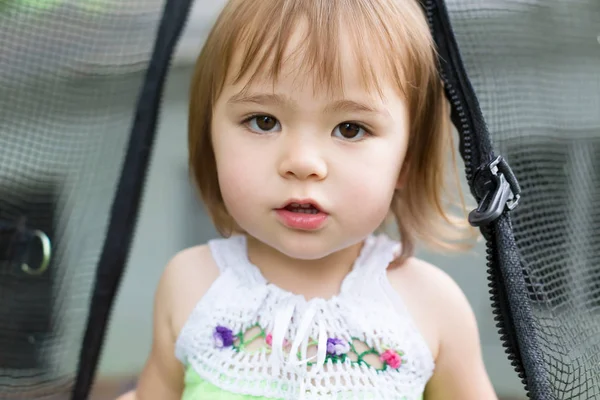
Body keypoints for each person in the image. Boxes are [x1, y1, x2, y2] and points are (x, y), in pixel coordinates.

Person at [119, 0, 498, 398]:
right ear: (209, 138)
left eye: (350, 128)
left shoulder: (430, 305)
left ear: (407, 158)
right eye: (263, 121)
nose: (302, 163)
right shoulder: (192, 285)